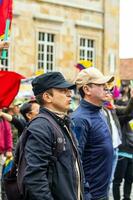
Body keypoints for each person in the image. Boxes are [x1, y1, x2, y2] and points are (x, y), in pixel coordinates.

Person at [22, 72, 84, 200]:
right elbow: (35, 179)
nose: (69, 93)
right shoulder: (41, 127)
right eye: (63, 90)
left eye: (68, 90)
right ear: (47, 97)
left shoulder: (63, 122)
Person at [71, 67, 114, 200]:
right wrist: (86, 194)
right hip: (91, 195)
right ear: (87, 89)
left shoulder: (99, 111)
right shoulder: (79, 119)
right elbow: (74, 162)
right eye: (101, 85)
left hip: (102, 192)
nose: (106, 88)